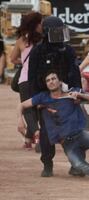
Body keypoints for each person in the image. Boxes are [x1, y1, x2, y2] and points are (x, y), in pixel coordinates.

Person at [17, 71, 89, 183]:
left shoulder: (72, 93)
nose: (51, 82)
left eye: (53, 79)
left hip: (81, 134)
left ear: (59, 81)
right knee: (79, 165)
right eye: (48, 80)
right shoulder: (43, 97)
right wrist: (20, 121)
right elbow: (22, 105)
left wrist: (80, 95)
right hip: (67, 143)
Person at [28, 16, 82, 177]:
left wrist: (77, 92)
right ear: (47, 32)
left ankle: (76, 164)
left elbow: (75, 73)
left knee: (73, 133)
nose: (60, 34)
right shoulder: (37, 51)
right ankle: (47, 164)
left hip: (66, 97)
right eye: (56, 31)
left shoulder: (68, 50)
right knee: (46, 134)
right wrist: (37, 100)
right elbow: (32, 79)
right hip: (46, 98)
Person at [10, 12, 43, 150]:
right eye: (41, 23)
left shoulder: (21, 41)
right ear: (36, 24)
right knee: (37, 108)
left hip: (25, 80)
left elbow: (12, 59)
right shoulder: (44, 39)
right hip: (41, 80)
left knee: (28, 109)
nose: (42, 25)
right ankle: (30, 138)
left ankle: (35, 134)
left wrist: (24, 62)